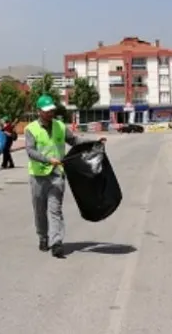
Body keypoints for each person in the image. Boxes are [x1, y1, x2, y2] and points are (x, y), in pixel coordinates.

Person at [26, 94, 105, 258]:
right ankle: (43, 236)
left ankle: (56, 243)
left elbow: (75, 140)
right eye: (46, 111)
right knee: (40, 211)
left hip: (57, 175)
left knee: (55, 210)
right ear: (39, 111)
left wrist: (94, 142)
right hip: (38, 176)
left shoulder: (60, 126)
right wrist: (48, 160)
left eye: (52, 110)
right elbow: (30, 151)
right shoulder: (31, 129)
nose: (50, 113)